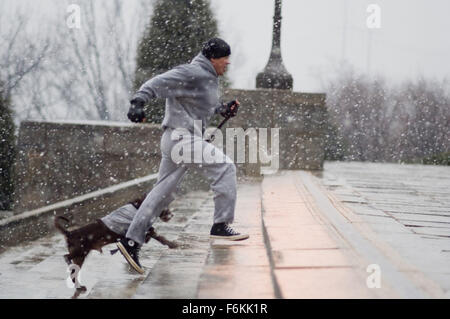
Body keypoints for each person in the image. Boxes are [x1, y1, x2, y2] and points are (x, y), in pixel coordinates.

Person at [116, 38, 249, 274]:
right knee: (226, 167)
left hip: (180, 139)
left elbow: (203, 104)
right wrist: (138, 102)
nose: (228, 62)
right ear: (212, 58)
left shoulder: (208, 78)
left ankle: (131, 241)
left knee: (162, 194)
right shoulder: (192, 72)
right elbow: (156, 83)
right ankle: (221, 225)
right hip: (181, 139)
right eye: (225, 58)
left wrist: (222, 109)